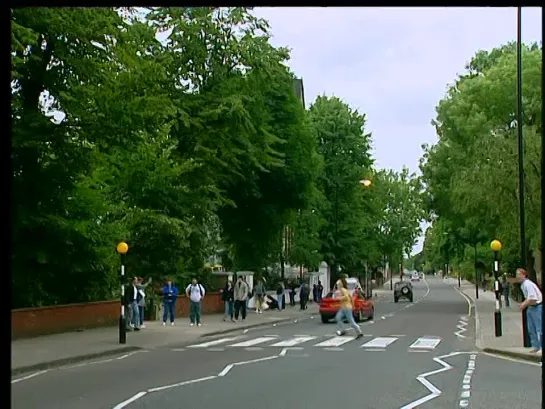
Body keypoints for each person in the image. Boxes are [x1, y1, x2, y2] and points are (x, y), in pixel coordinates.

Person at [517, 268, 542, 353]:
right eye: (517, 275)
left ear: (524, 275)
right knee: (531, 328)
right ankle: (536, 346)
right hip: (531, 308)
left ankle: (541, 347)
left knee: (539, 328)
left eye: (519, 275)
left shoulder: (528, 284)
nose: (518, 277)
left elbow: (533, 298)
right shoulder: (523, 285)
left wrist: (523, 305)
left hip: (537, 307)